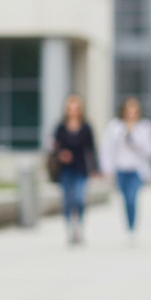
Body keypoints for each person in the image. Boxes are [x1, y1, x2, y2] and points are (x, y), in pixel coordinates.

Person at [100, 97, 151, 239]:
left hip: (136, 170)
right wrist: (107, 169)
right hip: (121, 169)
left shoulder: (145, 127)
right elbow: (108, 148)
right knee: (125, 200)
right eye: (128, 111)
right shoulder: (115, 126)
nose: (131, 115)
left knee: (132, 199)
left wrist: (134, 138)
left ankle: (132, 228)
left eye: (134, 111)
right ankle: (128, 226)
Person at [51, 94, 98, 246]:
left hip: (80, 168)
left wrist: (95, 168)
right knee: (67, 201)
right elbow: (53, 147)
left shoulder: (86, 127)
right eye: (70, 108)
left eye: (75, 108)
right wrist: (61, 155)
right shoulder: (60, 127)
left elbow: (91, 149)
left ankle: (80, 225)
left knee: (79, 198)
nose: (73, 111)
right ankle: (70, 229)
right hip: (65, 170)